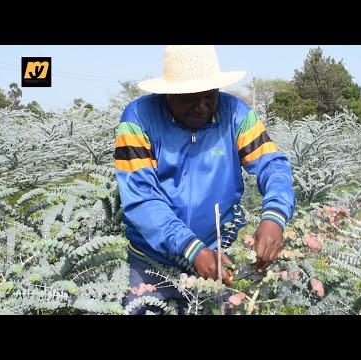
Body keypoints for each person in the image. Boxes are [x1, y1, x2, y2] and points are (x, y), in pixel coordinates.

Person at [115, 45, 296, 314]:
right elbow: (142, 198)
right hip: (151, 262)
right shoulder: (138, 119)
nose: (202, 106)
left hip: (218, 259)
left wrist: (275, 217)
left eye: (210, 95)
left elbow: (273, 165)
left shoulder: (237, 114)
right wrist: (192, 249)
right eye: (190, 97)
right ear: (168, 93)